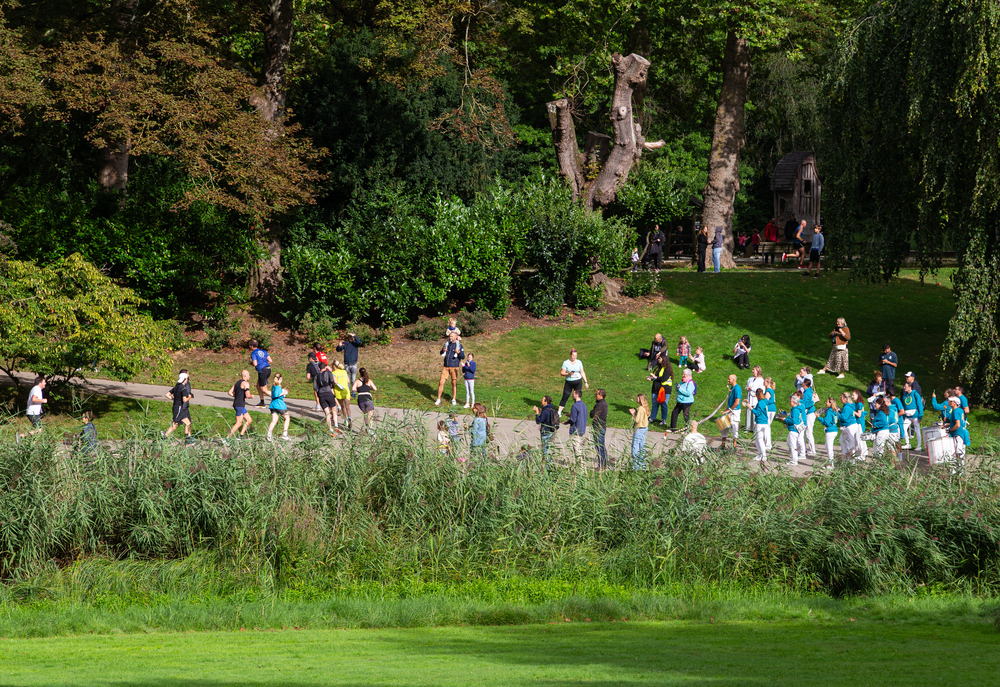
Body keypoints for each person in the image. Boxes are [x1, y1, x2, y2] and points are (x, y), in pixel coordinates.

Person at [434, 331, 465, 406]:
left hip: (454, 367)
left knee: (454, 383)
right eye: (449, 336)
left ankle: (453, 399)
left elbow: (463, 357)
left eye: (451, 336)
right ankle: (438, 399)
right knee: (441, 382)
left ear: (455, 337)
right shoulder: (447, 344)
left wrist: (458, 353)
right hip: (446, 366)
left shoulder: (459, 346)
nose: (450, 338)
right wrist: (443, 351)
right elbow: (441, 353)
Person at [163, 370, 194, 442]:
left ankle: (187, 439)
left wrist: (174, 399)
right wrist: (190, 397)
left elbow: (167, 395)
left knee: (188, 423)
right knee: (174, 425)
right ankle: (164, 437)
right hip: (179, 408)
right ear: (185, 379)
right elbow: (185, 400)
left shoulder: (176, 387)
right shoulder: (183, 389)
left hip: (178, 407)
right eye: (186, 379)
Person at [557, 348, 589, 415]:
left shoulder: (579, 362)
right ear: (570, 355)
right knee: (565, 396)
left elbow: (582, 372)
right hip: (569, 382)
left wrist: (586, 382)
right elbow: (562, 373)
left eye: (576, 356)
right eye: (573, 356)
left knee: (577, 397)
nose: (574, 357)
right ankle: (559, 412)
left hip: (578, 382)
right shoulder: (566, 363)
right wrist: (568, 374)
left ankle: (576, 411)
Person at [227, 370, 255, 440]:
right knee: (238, 423)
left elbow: (230, 392)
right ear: (245, 375)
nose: (249, 376)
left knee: (249, 420)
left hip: (237, 404)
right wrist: (252, 396)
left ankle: (241, 436)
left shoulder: (237, 383)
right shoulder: (246, 383)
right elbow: (248, 395)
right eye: (248, 375)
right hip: (240, 405)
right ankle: (227, 438)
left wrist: (238, 396)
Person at [315, 362, 341, 435]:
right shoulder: (329, 373)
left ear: (319, 368)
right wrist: (332, 387)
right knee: (334, 410)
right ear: (325, 368)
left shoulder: (316, 376)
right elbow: (332, 381)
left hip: (321, 394)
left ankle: (330, 429)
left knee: (327, 413)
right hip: (329, 392)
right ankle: (336, 425)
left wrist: (318, 393)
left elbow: (315, 386)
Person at [564, 388, 588, 467]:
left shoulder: (575, 406)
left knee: (576, 450)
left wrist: (566, 422)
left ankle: (580, 467)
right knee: (580, 449)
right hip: (582, 430)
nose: (572, 395)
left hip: (575, 430)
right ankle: (581, 465)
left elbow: (573, 420)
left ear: (577, 395)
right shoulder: (584, 405)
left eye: (573, 394)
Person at [648, 355, 673, 425]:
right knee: (654, 403)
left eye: (660, 358)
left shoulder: (667, 369)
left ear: (664, 359)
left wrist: (655, 377)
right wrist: (651, 378)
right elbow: (656, 377)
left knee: (664, 404)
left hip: (664, 389)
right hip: (656, 388)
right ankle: (652, 418)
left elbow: (664, 378)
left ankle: (663, 419)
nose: (658, 359)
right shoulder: (657, 367)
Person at [266, 373, 291, 441]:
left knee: (274, 420)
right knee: (287, 418)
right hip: (279, 405)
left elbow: (274, 394)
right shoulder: (277, 386)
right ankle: (284, 434)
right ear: (280, 379)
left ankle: (269, 434)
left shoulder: (273, 386)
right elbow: (277, 395)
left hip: (273, 405)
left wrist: (283, 393)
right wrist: (284, 393)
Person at [628, 393, 650, 469]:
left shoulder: (640, 408)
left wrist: (633, 414)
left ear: (640, 400)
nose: (636, 400)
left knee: (635, 447)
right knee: (642, 446)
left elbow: (637, 420)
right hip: (644, 428)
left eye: (637, 399)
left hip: (639, 428)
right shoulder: (645, 407)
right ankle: (642, 464)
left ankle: (635, 466)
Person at [947, 396, 970, 466]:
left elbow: (957, 425)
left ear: (954, 403)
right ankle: (960, 471)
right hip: (963, 432)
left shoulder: (955, 411)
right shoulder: (960, 410)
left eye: (950, 401)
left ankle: (959, 472)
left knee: (958, 454)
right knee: (961, 454)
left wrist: (950, 430)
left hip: (958, 434)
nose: (948, 402)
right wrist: (948, 425)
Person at [249, 340, 273, 407]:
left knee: (263, 389)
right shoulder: (264, 351)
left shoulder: (254, 353)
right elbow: (270, 360)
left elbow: (255, 363)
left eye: (250, 346)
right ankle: (262, 402)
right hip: (268, 369)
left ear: (252, 346)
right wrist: (264, 364)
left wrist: (251, 363)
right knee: (258, 386)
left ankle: (279, 396)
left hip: (263, 371)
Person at [901, 381, 924, 450]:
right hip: (907, 416)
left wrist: (920, 415)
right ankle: (907, 443)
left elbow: (920, 405)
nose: (904, 388)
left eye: (905, 386)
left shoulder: (915, 394)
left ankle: (919, 446)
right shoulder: (905, 395)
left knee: (917, 430)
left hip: (915, 415)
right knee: (904, 428)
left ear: (910, 387)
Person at [784, 394, 806, 465]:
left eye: (791, 401)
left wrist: (785, 420)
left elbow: (794, 421)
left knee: (793, 445)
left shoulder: (795, 410)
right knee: (789, 442)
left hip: (794, 429)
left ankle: (794, 460)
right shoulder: (794, 410)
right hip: (793, 429)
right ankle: (794, 458)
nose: (789, 402)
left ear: (794, 402)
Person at [818, 397, 840, 466]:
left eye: (827, 402)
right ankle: (831, 461)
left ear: (830, 403)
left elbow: (826, 422)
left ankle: (831, 464)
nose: (825, 403)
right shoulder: (835, 410)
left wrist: (819, 417)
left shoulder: (829, 411)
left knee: (829, 447)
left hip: (830, 430)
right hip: (834, 429)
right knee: (827, 446)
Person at [722, 374, 742, 448]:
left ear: (734, 379)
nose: (728, 380)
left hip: (734, 412)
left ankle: (734, 446)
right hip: (729, 410)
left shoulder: (737, 388)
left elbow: (737, 402)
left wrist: (729, 410)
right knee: (724, 427)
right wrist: (727, 409)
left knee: (734, 428)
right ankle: (723, 444)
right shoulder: (732, 387)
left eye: (729, 379)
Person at [590, 389, 608, 470]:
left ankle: (601, 465)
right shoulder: (605, 404)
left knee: (599, 447)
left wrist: (592, 412)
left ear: (601, 395)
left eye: (597, 394)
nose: (595, 395)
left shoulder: (599, 405)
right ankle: (605, 463)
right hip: (603, 427)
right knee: (602, 446)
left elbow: (592, 414)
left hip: (598, 428)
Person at [745, 366, 765, 435]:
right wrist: (747, 388)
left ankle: (754, 428)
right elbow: (746, 386)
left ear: (757, 371)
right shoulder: (750, 379)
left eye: (754, 370)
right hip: (749, 397)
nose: (752, 371)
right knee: (748, 412)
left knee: (754, 412)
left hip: (755, 398)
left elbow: (762, 389)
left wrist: (752, 388)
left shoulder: (761, 380)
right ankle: (747, 427)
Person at [800, 379, 818, 457]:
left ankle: (812, 450)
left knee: (808, 432)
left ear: (805, 384)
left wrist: (801, 406)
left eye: (803, 382)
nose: (801, 383)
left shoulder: (807, 393)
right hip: (810, 413)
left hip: (809, 413)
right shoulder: (809, 392)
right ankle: (809, 449)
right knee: (808, 431)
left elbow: (807, 403)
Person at [751, 389, 770, 462]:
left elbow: (757, 413)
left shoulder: (760, 402)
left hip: (760, 422)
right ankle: (760, 454)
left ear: (757, 394)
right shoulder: (764, 401)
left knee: (759, 439)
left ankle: (763, 455)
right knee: (756, 438)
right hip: (764, 422)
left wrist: (751, 408)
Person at [838, 392, 857, 459]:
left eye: (841, 397)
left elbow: (844, 417)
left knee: (849, 443)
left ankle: (851, 459)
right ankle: (846, 456)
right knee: (842, 440)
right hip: (851, 425)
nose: (840, 399)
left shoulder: (846, 407)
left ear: (845, 399)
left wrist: (838, 414)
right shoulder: (850, 406)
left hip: (849, 426)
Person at [763, 377, 777, 450]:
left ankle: (768, 444)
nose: (763, 382)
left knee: (766, 426)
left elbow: (766, 400)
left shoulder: (768, 391)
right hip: (773, 409)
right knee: (768, 426)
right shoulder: (771, 390)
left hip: (769, 409)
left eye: (765, 381)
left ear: (768, 383)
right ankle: (768, 443)